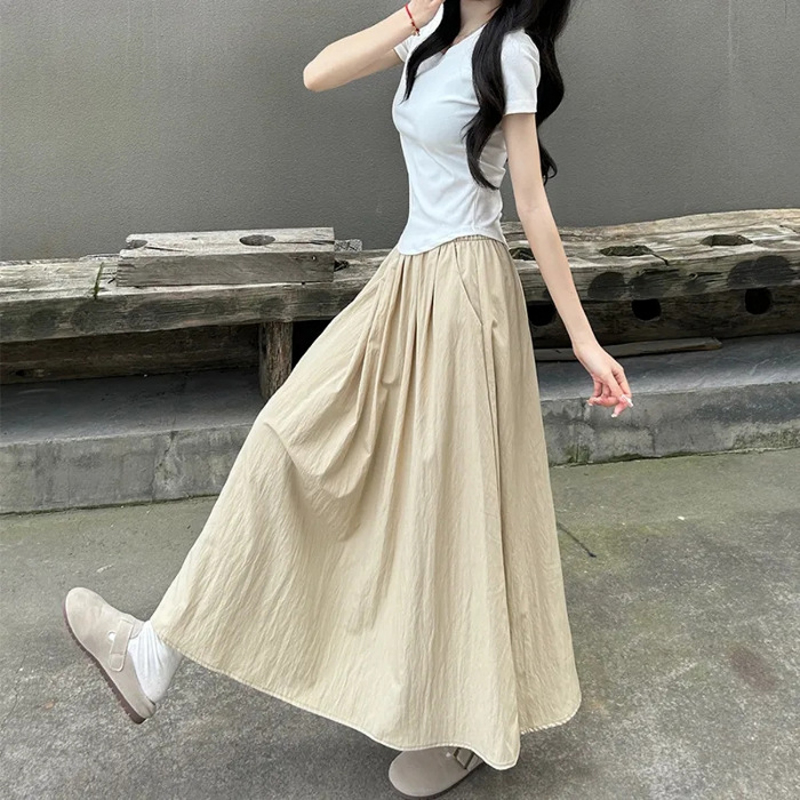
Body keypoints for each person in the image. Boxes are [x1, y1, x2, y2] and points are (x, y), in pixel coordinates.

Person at [63, 1, 633, 797]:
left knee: (451, 509)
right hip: (407, 279)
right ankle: (154, 656)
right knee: (287, 438)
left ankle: (466, 724)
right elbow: (318, 73)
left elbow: (531, 205)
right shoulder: (428, 36)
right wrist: (413, 13)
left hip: (464, 291)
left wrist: (583, 340)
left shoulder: (512, 54)